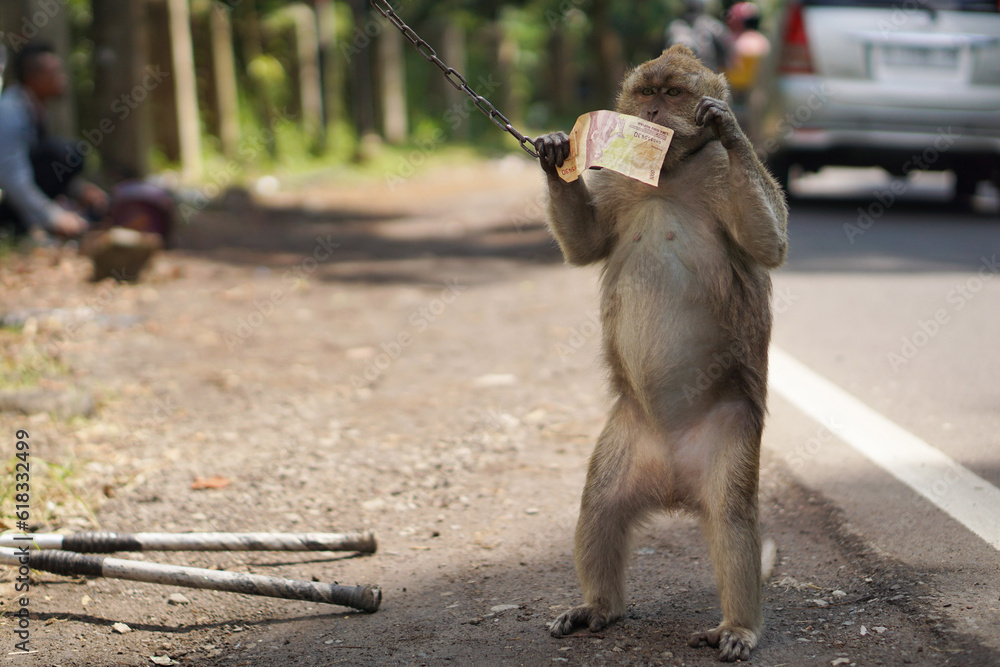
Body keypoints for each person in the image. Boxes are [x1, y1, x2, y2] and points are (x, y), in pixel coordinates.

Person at [0, 42, 107, 240]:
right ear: (34, 77)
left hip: (15, 195)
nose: (63, 78)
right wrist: (52, 217)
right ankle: (20, 226)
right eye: (56, 72)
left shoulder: (34, 108)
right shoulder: (9, 111)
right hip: (6, 200)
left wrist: (78, 190)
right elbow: (11, 176)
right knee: (66, 153)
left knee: (68, 154)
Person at [666, 0, 734, 74]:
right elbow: (727, 48)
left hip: (681, 81)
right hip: (708, 78)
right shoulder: (710, 24)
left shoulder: (674, 26)